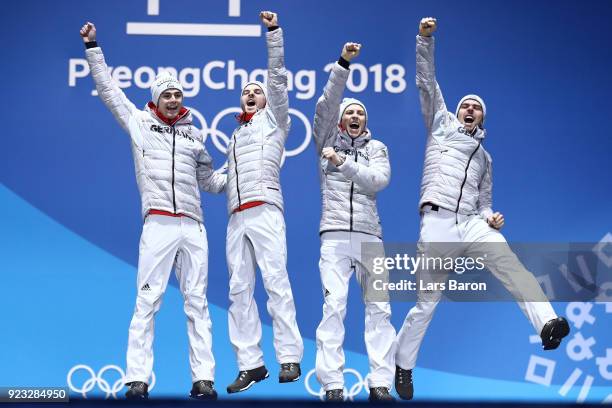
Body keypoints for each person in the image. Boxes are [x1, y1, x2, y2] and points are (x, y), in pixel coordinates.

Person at [394, 17, 570, 400]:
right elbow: (426, 81)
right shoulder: (440, 125)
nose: (470, 109)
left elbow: (484, 200)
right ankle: (403, 365)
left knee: (511, 264)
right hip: (437, 222)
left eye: (476, 108)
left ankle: (548, 324)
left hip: (472, 223)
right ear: (457, 112)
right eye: (465, 105)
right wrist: (425, 39)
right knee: (426, 304)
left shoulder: (485, 158)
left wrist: (491, 216)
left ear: (483, 118)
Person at [80, 22, 226, 400]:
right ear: (156, 99)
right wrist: (93, 47)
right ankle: (137, 378)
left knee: (198, 304)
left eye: (178, 94)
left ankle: (203, 379)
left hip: (194, 227)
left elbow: (210, 182)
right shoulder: (140, 124)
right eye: (168, 95)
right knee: (147, 300)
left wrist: (242, 168)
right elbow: (111, 92)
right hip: (158, 223)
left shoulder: (195, 135)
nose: (175, 99)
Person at [312, 42, 396, 402]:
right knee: (334, 307)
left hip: (369, 238)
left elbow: (378, 181)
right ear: (341, 119)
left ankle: (380, 384)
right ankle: (332, 385)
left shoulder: (377, 148)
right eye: (350, 112)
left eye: (361, 112)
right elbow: (327, 102)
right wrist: (344, 63)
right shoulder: (325, 140)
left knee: (380, 308)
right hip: (334, 237)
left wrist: (344, 163)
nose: (356, 116)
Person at [224, 11, 303, 394]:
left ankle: (289, 357)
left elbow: (277, 75)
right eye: (245, 91)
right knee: (239, 290)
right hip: (235, 218)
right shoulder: (235, 137)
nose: (251, 93)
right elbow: (222, 180)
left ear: (269, 99)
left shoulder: (276, 121)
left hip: (266, 209)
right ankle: (250, 364)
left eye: (256, 90)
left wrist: (273, 34)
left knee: (275, 281)